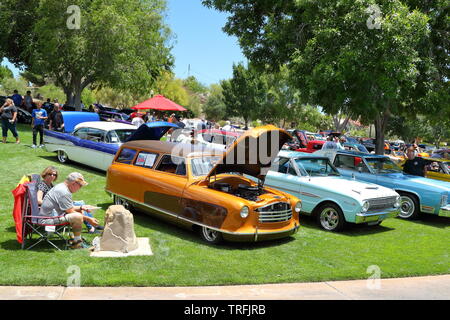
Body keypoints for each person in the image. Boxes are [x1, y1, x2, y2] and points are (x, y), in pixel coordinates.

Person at [38, 172, 99, 249]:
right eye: (80, 186)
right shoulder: (64, 192)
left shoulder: (62, 187)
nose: (80, 188)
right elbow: (70, 211)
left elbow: (68, 208)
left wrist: (82, 207)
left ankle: (77, 239)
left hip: (52, 215)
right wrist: (89, 219)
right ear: (73, 183)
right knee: (77, 216)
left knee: (79, 212)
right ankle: (77, 244)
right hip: (47, 219)